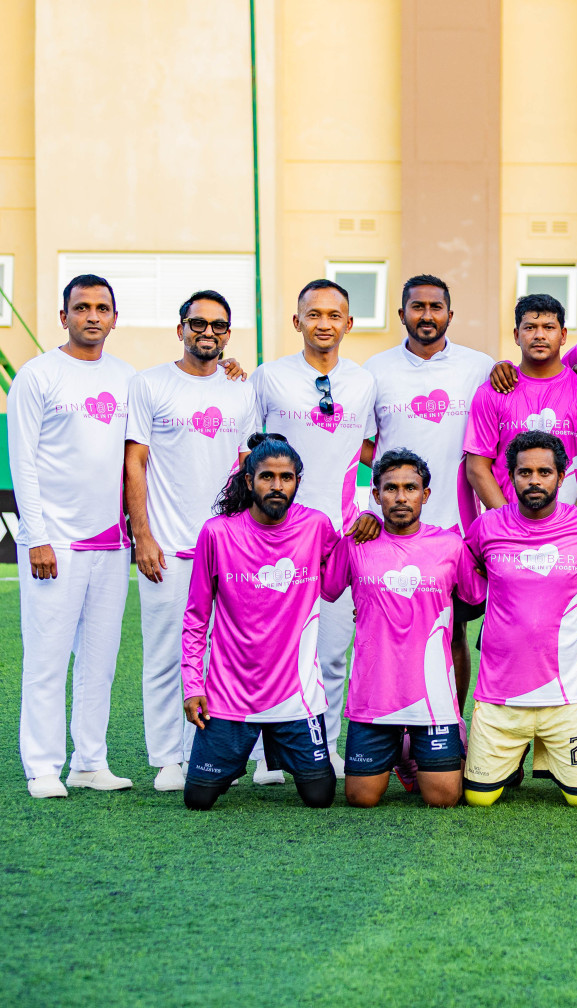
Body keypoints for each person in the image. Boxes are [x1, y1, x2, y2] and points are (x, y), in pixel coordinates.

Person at [125, 289, 259, 793]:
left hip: (226, 549)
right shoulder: (150, 383)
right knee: (164, 657)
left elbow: (248, 468)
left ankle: (203, 753)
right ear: (179, 328)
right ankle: (166, 759)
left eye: (218, 325)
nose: (208, 332)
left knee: (225, 654)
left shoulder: (240, 389)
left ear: (228, 333)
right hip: (167, 548)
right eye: (197, 323)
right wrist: (143, 534)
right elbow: (134, 461)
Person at [10, 274, 137, 798]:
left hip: (111, 544)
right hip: (54, 543)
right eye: (80, 307)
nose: (91, 316)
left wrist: (226, 369)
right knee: (47, 659)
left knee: (100, 660)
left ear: (114, 317)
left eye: (101, 307)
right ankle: (42, 767)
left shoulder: (131, 379)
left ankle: (90, 761)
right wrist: (36, 535)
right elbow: (23, 461)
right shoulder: (37, 376)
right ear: (62, 316)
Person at [250, 279, 380, 774]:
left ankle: (324, 746)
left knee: (330, 653)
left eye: (334, 315)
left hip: (341, 539)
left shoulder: (364, 382)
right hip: (275, 539)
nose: (324, 323)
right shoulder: (267, 378)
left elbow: (373, 453)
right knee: (272, 650)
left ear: (348, 323)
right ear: (297, 321)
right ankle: (266, 755)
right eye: (314, 314)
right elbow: (247, 451)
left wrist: (368, 508)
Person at [361, 274, 502, 727]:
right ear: (401, 314)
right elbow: (357, 439)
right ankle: (393, 725)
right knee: (388, 630)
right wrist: (383, 474)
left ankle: (450, 728)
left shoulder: (479, 367)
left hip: (456, 528)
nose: (426, 315)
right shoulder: (375, 370)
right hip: (394, 525)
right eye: (416, 307)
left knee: (453, 630)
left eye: (435, 307)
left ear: (449, 315)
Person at [180, 434, 342, 810]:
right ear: (249, 480)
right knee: (198, 799)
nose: (277, 485)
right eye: (267, 476)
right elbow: (195, 618)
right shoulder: (217, 533)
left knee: (320, 797)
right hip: (230, 695)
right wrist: (192, 685)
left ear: (298, 481)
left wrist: (367, 522)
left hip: (295, 696)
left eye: (286, 477)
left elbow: (337, 582)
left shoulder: (317, 527)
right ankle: (231, 758)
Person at [321, 448, 484, 808]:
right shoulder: (356, 543)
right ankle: (396, 749)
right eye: (390, 488)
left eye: (410, 488)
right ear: (376, 495)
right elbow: (327, 588)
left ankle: (411, 748)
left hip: (433, 699)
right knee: (361, 799)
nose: (400, 497)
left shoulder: (450, 545)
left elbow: (474, 597)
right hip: (373, 696)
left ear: (425, 495)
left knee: (444, 799)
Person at [460, 431, 577, 808]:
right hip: (500, 696)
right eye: (524, 472)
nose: (534, 480)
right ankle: (508, 761)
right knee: (479, 801)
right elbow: (465, 577)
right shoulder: (488, 527)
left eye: (544, 472)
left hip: (566, 696)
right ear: (510, 477)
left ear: (562, 477)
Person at [464, 293, 577, 509]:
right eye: (530, 327)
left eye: (549, 327)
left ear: (563, 335)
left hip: (570, 530)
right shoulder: (493, 391)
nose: (539, 335)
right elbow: (477, 468)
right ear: (516, 335)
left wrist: (574, 523)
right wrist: (507, 522)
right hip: (509, 529)